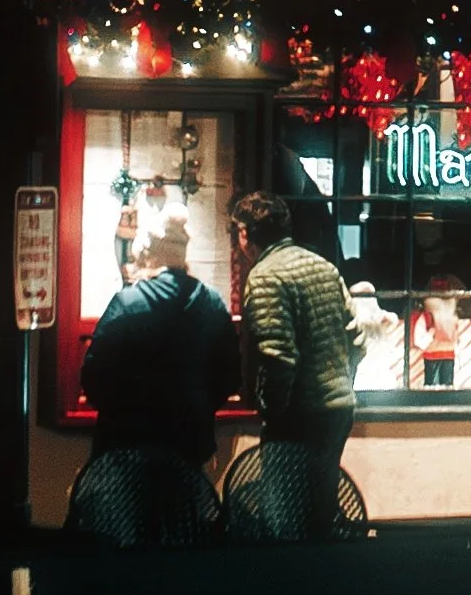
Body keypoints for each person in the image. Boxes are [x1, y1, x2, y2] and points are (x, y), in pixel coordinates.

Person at [69, 217, 240, 545]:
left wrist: (122, 410)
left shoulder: (128, 302)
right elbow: (230, 376)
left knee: (126, 542)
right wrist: (198, 408)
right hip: (188, 445)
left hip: (126, 446)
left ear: (149, 255)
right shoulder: (212, 303)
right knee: (181, 540)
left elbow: (93, 376)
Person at [235, 190, 359, 540]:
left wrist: (270, 409)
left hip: (299, 417)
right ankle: (325, 586)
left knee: (285, 522)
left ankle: (292, 589)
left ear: (246, 234)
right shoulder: (324, 267)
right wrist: (340, 382)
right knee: (320, 516)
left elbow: (278, 357)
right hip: (338, 410)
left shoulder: (264, 277)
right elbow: (358, 340)